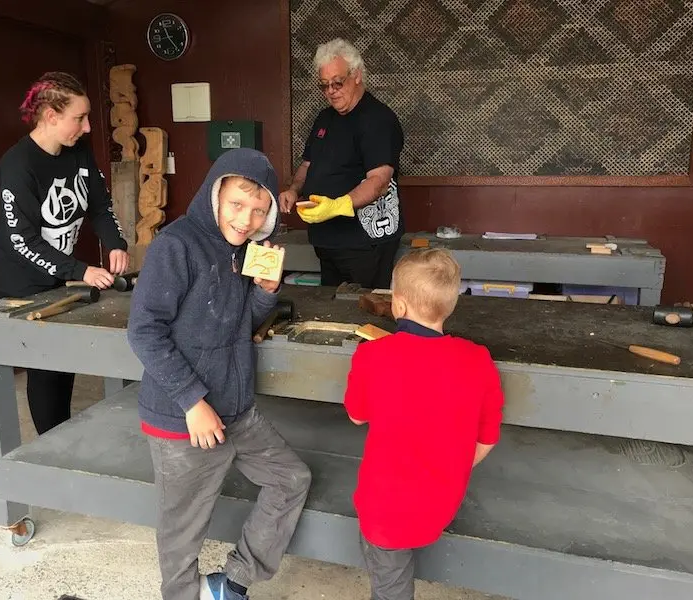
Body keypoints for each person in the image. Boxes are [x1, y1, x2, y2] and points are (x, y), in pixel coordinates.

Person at [127, 148, 312, 600]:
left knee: (292, 479)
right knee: (181, 536)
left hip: (236, 410)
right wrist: (192, 401)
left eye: (259, 211)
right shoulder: (177, 245)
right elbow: (144, 331)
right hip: (182, 418)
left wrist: (266, 293)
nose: (246, 219)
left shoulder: (245, 252)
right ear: (215, 194)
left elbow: (238, 324)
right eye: (237, 205)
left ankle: (233, 582)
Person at [343, 249, 504, 600]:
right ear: (450, 305)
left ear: (398, 305)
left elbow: (357, 415)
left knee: (391, 588)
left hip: (384, 510)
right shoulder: (478, 359)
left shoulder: (373, 355)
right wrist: (449, 467)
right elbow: (487, 438)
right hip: (441, 503)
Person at [0, 71, 130, 435]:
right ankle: (52, 441)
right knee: (45, 364)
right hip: (17, 280)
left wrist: (115, 242)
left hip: (59, 273)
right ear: (50, 115)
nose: (86, 128)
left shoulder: (78, 151)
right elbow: (24, 241)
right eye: (78, 118)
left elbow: (99, 205)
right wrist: (81, 270)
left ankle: (62, 434)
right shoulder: (17, 166)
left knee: (64, 358)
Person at [279, 38, 404, 289]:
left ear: (356, 75)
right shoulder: (325, 118)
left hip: (364, 242)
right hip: (326, 240)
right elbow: (307, 165)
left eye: (337, 83)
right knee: (331, 311)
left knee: (364, 312)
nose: (331, 91)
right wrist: (294, 189)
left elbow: (379, 182)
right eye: (324, 86)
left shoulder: (378, 119)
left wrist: (337, 206)